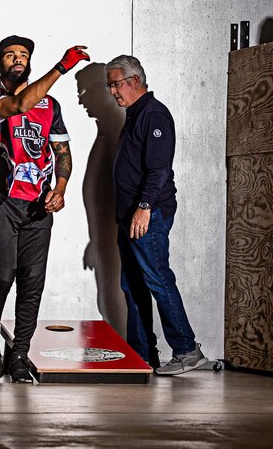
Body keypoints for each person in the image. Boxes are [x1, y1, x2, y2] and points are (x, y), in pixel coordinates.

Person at [0, 36, 89, 383]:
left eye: (23, 54)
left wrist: (62, 188)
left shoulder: (51, 106)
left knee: (32, 283)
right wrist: (62, 67)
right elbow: (20, 105)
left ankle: (20, 354)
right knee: (2, 276)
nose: (17, 59)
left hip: (39, 207)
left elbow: (62, 152)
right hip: (2, 202)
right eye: (9, 55)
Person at [105, 55, 208, 375]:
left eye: (115, 84)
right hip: (130, 216)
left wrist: (144, 208)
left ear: (135, 81)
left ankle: (187, 349)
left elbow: (159, 169)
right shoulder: (135, 115)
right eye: (108, 86)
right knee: (132, 284)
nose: (112, 92)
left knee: (157, 277)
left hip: (147, 214)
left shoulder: (154, 114)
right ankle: (139, 355)